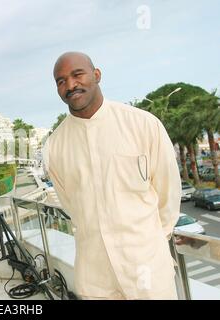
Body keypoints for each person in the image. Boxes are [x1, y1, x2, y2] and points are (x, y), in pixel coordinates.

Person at [43, 52, 181, 300]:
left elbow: (168, 194)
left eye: (77, 75)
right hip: (96, 280)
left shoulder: (143, 125)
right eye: (61, 81)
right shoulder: (54, 147)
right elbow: (71, 205)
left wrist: (150, 243)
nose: (71, 85)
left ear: (96, 75)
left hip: (148, 273)